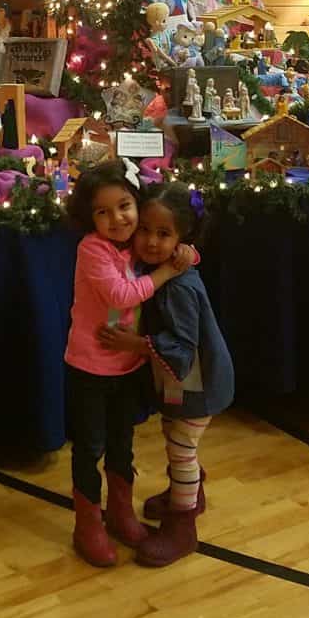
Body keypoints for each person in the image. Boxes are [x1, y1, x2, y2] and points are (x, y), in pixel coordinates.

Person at [65, 160, 194, 568]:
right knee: (90, 448)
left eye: (124, 206)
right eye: (103, 212)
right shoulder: (92, 249)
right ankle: (87, 524)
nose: (117, 218)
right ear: (89, 218)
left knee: (122, 443)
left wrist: (184, 254)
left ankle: (120, 513)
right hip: (89, 368)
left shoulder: (134, 244)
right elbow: (122, 295)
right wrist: (168, 271)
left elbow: (177, 246)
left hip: (125, 367)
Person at [99, 182, 234, 567]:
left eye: (164, 234)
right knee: (174, 437)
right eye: (145, 229)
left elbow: (183, 347)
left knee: (182, 448)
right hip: (176, 380)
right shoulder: (157, 268)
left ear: (181, 239)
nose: (151, 242)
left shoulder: (178, 288)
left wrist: (135, 344)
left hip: (195, 381)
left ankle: (183, 522)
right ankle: (187, 489)